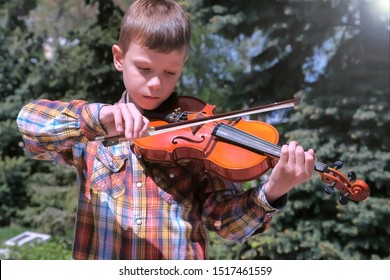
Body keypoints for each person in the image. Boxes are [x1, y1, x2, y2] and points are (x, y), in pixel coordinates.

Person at [16, 0, 315, 260]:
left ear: (182, 66)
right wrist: (99, 118)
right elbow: (30, 125)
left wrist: (273, 190)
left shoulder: (202, 133)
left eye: (170, 72)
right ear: (119, 58)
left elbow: (225, 223)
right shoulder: (93, 131)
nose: (156, 83)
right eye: (145, 68)